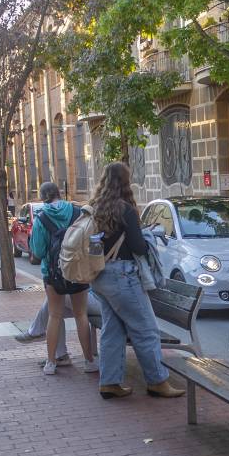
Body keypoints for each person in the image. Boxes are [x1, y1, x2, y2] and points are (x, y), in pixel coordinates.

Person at [87, 162, 184, 400]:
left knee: (113, 329)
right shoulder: (125, 210)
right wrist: (145, 234)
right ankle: (157, 381)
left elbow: (94, 243)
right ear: (125, 182)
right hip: (123, 277)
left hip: (99, 276)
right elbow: (139, 247)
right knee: (147, 330)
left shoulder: (94, 208)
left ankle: (109, 383)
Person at [28, 181, 97, 376]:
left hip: (53, 274)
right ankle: (89, 361)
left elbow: (39, 251)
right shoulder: (77, 212)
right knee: (81, 315)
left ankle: (51, 363)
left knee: (55, 315)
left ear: (43, 197)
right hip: (77, 272)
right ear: (59, 193)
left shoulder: (41, 218)